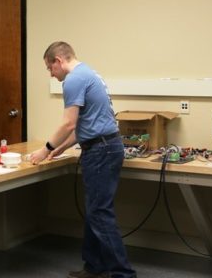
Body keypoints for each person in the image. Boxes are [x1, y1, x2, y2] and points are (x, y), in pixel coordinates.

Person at [29, 41, 136, 278]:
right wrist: (61, 147)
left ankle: (123, 274)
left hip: (101, 151)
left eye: (49, 68)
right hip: (106, 146)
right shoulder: (90, 73)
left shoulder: (74, 80)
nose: (51, 74)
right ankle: (94, 266)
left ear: (58, 61)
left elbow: (68, 123)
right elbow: (83, 125)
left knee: (99, 213)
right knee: (94, 211)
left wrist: (45, 150)